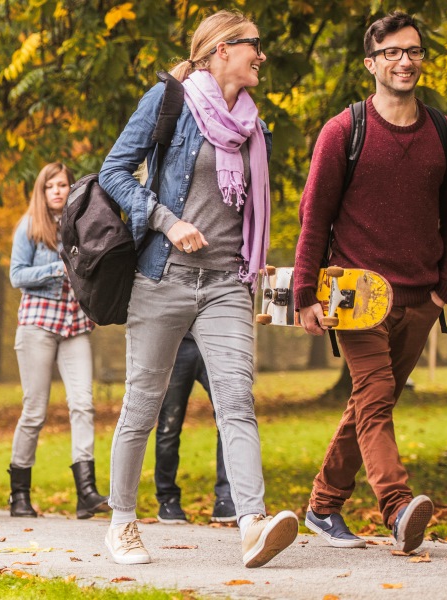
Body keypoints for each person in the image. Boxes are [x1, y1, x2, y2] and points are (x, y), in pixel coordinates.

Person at [97, 10, 298, 568]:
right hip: (164, 276)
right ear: (220, 51)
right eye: (253, 45)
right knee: (143, 404)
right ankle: (122, 524)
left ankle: (252, 523)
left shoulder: (254, 125)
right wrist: (163, 219)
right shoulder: (171, 101)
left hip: (227, 282)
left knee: (237, 398)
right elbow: (113, 171)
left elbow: (252, 210)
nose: (261, 55)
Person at [294, 11, 447, 554]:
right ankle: (396, 507)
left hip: (421, 297)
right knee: (377, 393)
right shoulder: (344, 130)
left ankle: (322, 506)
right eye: (391, 52)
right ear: (371, 63)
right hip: (355, 296)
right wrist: (304, 295)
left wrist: (446, 285)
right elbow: (313, 217)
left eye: (412, 51)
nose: (404, 61)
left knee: (369, 405)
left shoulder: (443, 132)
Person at [6, 162, 108, 520]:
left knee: (83, 404)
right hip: (38, 323)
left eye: (63, 184)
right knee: (35, 410)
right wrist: (57, 267)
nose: (57, 191)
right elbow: (16, 275)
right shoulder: (29, 227)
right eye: (50, 185)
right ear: (41, 190)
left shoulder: (81, 225)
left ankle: (86, 492)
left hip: (75, 325)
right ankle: (19, 493)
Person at [153, 333, 235, 524]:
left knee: (230, 421)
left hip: (217, 340)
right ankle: (168, 500)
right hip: (176, 342)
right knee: (169, 425)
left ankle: (227, 498)